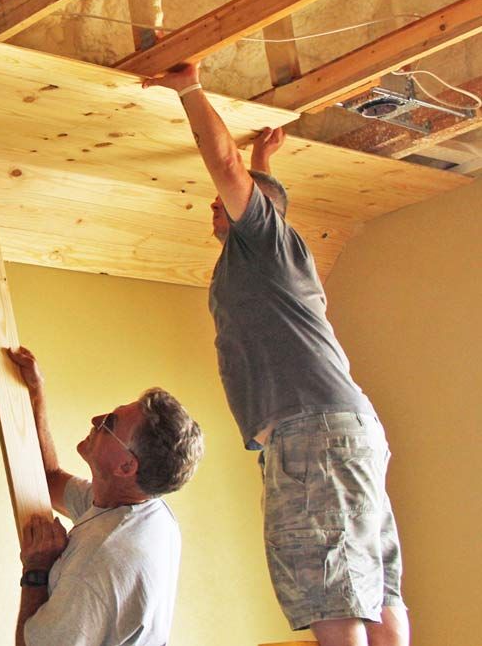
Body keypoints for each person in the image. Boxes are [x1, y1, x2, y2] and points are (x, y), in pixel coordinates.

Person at [142, 63, 409, 646]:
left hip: (312, 430)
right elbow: (255, 187)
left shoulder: (265, 240)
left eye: (229, 200)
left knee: (329, 585)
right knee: (373, 582)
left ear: (257, 211)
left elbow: (228, 168)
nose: (217, 203)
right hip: (346, 429)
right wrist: (266, 163)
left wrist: (189, 88)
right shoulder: (268, 252)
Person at [6, 346, 204, 646]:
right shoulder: (142, 509)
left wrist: (36, 569)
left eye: (109, 423)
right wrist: (35, 393)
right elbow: (49, 479)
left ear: (126, 465)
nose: (96, 418)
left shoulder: (99, 560)